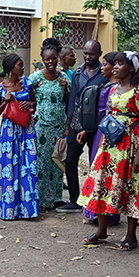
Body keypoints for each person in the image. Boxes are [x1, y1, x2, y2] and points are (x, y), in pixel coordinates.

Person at [79, 51, 139, 250]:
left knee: (129, 186)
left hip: (130, 145)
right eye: (116, 63)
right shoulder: (113, 89)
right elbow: (109, 116)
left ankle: (131, 235)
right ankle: (102, 230)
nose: (116, 67)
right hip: (110, 145)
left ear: (132, 68)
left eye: (121, 64)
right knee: (102, 183)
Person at [58, 40, 109, 213]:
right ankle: (75, 200)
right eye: (85, 53)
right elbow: (73, 99)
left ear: (99, 54)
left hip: (97, 126)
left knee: (97, 163)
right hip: (77, 123)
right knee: (70, 161)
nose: (87, 57)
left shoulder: (105, 73)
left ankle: (95, 200)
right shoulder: (78, 73)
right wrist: (68, 124)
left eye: (92, 54)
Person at [0, 53, 38, 220]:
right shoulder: (0, 88)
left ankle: (28, 210)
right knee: (9, 167)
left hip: (27, 129)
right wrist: (5, 101)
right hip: (9, 132)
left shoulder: (27, 83)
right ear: (11, 68)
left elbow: (34, 102)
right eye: (20, 65)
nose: (23, 68)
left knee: (28, 166)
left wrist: (29, 104)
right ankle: (10, 209)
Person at [82, 52, 121, 225]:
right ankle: (96, 212)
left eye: (105, 65)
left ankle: (105, 213)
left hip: (109, 134)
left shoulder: (115, 89)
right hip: (101, 131)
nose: (102, 68)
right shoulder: (107, 87)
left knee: (107, 173)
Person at [29, 42, 69, 210]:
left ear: (58, 59)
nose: (50, 62)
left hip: (59, 125)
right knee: (41, 163)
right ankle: (40, 199)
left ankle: (56, 198)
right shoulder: (35, 78)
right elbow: (25, 94)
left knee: (57, 161)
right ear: (43, 60)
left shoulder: (63, 78)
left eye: (53, 59)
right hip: (41, 126)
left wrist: (66, 88)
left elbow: (69, 101)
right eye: (47, 59)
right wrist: (31, 111)